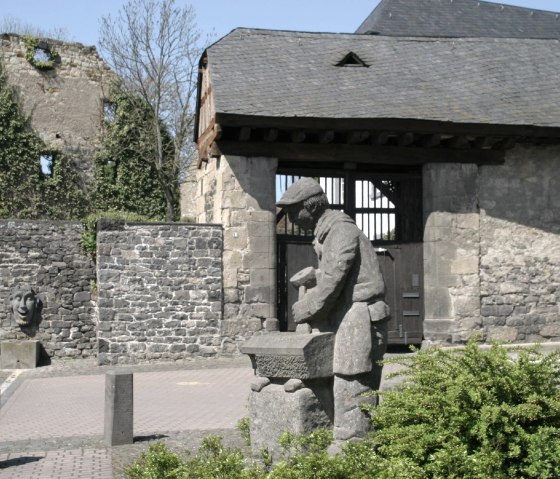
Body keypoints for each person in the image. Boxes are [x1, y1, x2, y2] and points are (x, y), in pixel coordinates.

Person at [277, 177, 390, 442]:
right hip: (346, 313)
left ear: (311, 206)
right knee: (325, 368)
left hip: (361, 314)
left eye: (294, 211)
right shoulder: (327, 234)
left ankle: (353, 442)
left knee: (351, 379)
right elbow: (333, 275)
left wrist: (307, 307)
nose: (291, 219)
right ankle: (330, 431)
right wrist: (314, 277)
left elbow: (333, 281)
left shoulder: (340, 231)